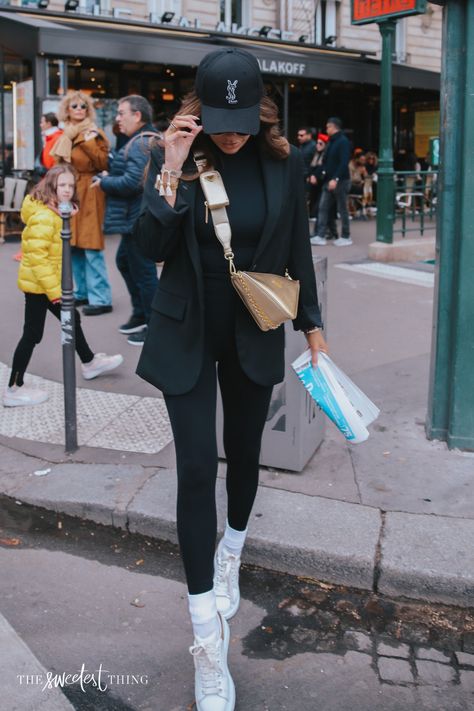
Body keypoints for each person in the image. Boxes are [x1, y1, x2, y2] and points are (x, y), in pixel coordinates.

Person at [134, 48, 328, 711]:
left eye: (242, 120)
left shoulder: (283, 162)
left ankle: (231, 555)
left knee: (243, 457)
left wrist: (316, 333)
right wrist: (167, 167)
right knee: (194, 471)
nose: (232, 133)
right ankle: (206, 643)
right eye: (220, 119)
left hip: (255, 328)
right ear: (200, 108)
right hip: (185, 330)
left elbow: (297, 248)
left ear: (260, 110)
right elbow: (146, 248)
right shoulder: (181, 159)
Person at [3, 165, 123, 408]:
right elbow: (37, 259)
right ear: (51, 187)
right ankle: (13, 388)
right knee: (32, 334)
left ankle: (89, 362)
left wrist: (66, 216)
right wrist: (57, 294)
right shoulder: (45, 218)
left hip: (46, 283)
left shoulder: (51, 212)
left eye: (70, 186)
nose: (67, 190)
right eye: (62, 186)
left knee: (72, 318)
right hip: (40, 286)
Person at [95, 95, 159, 346]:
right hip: (134, 219)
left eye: (122, 113)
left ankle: (154, 326)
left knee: (143, 272)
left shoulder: (142, 143)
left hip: (139, 220)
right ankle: (142, 314)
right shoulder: (140, 141)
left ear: (137, 116)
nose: (118, 118)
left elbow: (134, 182)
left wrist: (104, 182)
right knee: (125, 261)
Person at [51, 91, 113, 315]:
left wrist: (87, 142)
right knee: (74, 245)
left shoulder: (94, 132)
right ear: (67, 109)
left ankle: (101, 298)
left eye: (83, 106)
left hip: (90, 189)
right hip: (70, 188)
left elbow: (103, 161)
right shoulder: (65, 134)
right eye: (74, 106)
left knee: (91, 245)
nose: (79, 109)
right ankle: (82, 292)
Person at [311, 117, 352, 246]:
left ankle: (346, 236)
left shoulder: (343, 142)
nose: (326, 129)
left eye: (328, 127)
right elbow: (326, 162)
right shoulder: (332, 142)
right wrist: (316, 175)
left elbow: (344, 163)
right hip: (330, 180)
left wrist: (336, 178)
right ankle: (320, 235)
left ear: (333, 127)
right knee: (322, 207)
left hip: (340, 180)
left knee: (342, 209)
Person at [34, 113, 63, 178]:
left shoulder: (56, 138)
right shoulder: (49, 137)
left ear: (49, 124)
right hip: (49, 175)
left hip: (53, 177)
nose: (40, 125)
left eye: (42, 122)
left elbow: (57, 160)